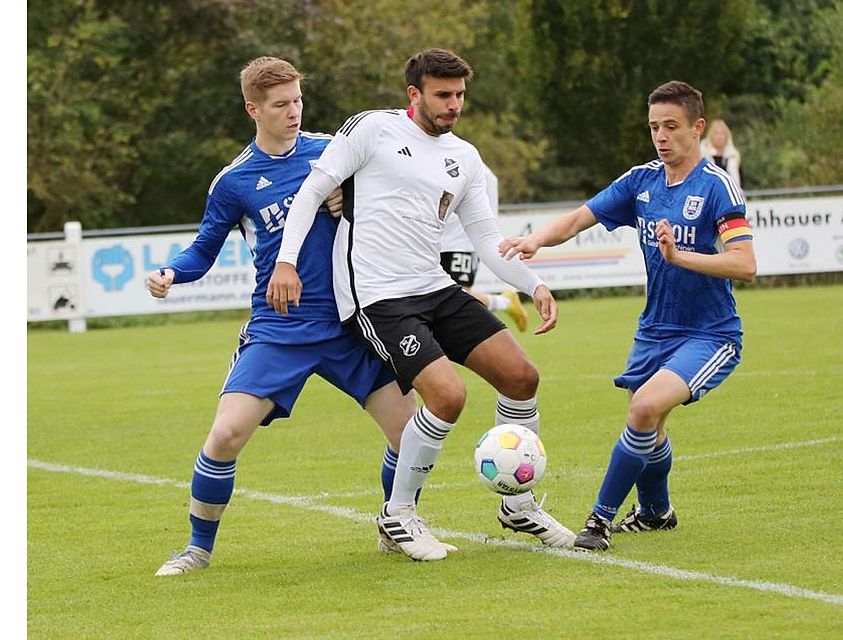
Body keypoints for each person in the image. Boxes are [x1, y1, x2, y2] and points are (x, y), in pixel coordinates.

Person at [267, 48, 576, 561]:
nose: (454, 105)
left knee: (522, 376)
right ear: (415, 94)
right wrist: (287, 262)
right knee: (447, 396)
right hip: (377, 295)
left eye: (459, 95)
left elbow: (485, 238)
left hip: (433, 286)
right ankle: (399, 513)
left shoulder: (466, 158)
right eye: (442, 95)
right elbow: (311, 191)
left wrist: (534, 283)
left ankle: (517, 505)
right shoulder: (371, 130)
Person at [146, 56, 427, 576]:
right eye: (281, 105)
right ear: (253, 109)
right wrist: (170, 273)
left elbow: (392, 191)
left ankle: (396, 521)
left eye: (297, 100)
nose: (294, 111)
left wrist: (354, 199)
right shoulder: (234, 181)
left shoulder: (330, 152)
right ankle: (197, 550)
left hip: (351, 322)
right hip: (281, 327)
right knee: (226, 435)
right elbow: (203, 250)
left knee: (410, 433)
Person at [501, 80, 756, 551]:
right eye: (654, 126)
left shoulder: (717, 187)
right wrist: (537, 240)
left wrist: (682, 257)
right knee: (651, 426)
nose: (661, 136)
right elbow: (580, 217)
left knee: (643, 409)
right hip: (655, 328)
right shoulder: (642, 181)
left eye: (671, 126)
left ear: (698, 128)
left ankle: (598, 520)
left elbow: (745, 263)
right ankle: (657, 512)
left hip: (711, 332)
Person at [440, 161, 529, 332]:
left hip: (461, 241)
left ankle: (504, 305)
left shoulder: (464, 159)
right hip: (440, 239)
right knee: (442, 295)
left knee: (456, 296)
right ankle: (505, 302)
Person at [700, 118, 742, 187]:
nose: (719, 137)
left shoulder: (733, 156)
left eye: (722, 134)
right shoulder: (702, 155)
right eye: (716, 133)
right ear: (711, 135)